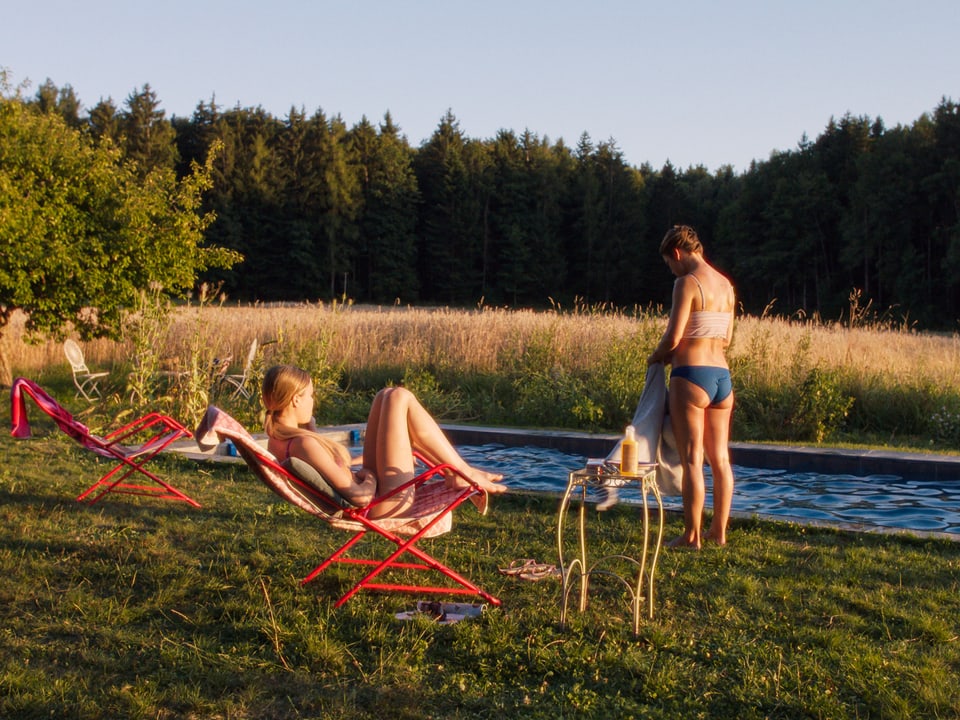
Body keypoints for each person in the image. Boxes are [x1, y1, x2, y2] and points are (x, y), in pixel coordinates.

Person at [261, 365, 506, 519]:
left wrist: (311, 430)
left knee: (386, 395)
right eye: (311, 396)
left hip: (376, 496)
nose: (313, 402)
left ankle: (458, 472)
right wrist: (369, 475)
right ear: (295, 400)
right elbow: (361, 497)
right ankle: (461, 470)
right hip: (382, 505)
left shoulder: (281, 440)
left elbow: (335, 469)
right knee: (400, 397)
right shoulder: (303, 445)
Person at [647, 225, 735, 548]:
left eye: (670, 264)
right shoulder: (726, 286)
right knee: (721, 460)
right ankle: (719, 532)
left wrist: (655, 358)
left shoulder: (687, 283)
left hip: (692, 376)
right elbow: (726, 338)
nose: (672, 270)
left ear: (677, 254)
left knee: (692, 460)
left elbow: (673, 337)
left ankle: (692, 535)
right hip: (722, 378)